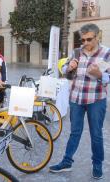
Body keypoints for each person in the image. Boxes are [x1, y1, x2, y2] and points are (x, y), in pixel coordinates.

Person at [49, 23, 110, 180]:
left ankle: (97, 164)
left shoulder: (107, 53)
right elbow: (64, 70)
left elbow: (108, 77)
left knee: (96, 134)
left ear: (97, 37)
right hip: (76, 99)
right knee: (74, 132)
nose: (85, 43)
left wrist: (100, 75)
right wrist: (69, 67)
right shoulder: (77, 51)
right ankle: (67, 161)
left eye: (89, 39)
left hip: (96, 100)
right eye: (83, 40)